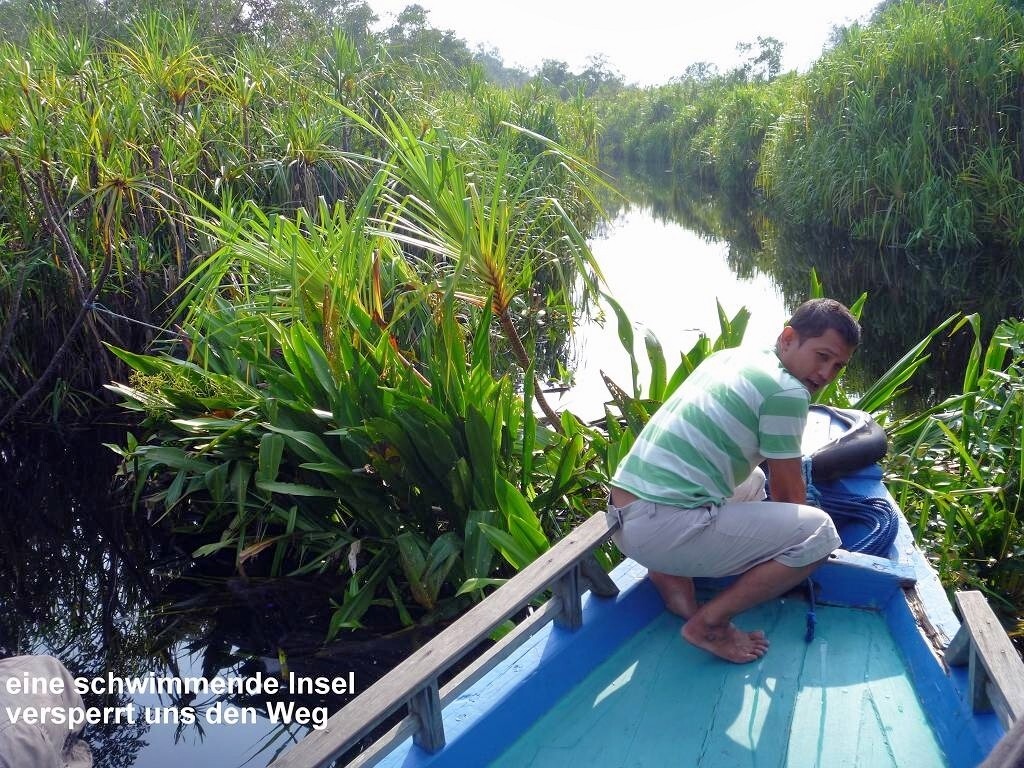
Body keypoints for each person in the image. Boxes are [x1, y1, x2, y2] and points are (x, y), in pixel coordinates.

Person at [607, 298, 861, 664]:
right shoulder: (787, 392)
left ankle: (670, 574)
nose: (825, 374)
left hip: (623, 516)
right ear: (788, 338)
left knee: (753, 481)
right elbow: (789, 497)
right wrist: (800, 556)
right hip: (660, 528)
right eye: (822, 356)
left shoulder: (731, 357)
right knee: (818, 534)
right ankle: (710, 623)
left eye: (837, 366)